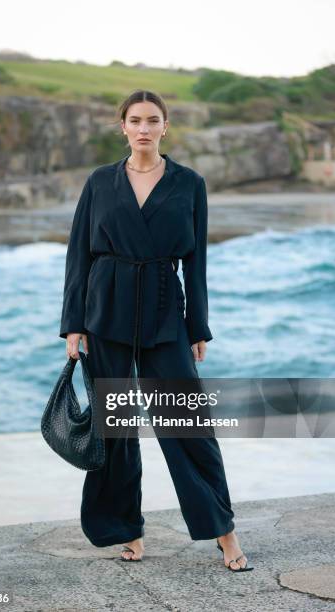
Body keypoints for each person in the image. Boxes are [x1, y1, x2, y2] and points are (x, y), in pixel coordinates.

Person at [59, 89, 254, 572]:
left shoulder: (190, 183)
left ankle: (223, 532)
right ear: (122, 126)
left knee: (189, 427)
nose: (143, 128)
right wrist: (73, 325)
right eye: (135, 120)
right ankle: (126, 530)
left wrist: (197, 326)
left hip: (167, 315)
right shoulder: (100, 182)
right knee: (117, 431)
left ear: (166, 127)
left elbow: (198, 262)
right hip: (106, 314)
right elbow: (78, 255)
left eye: (152, 120)